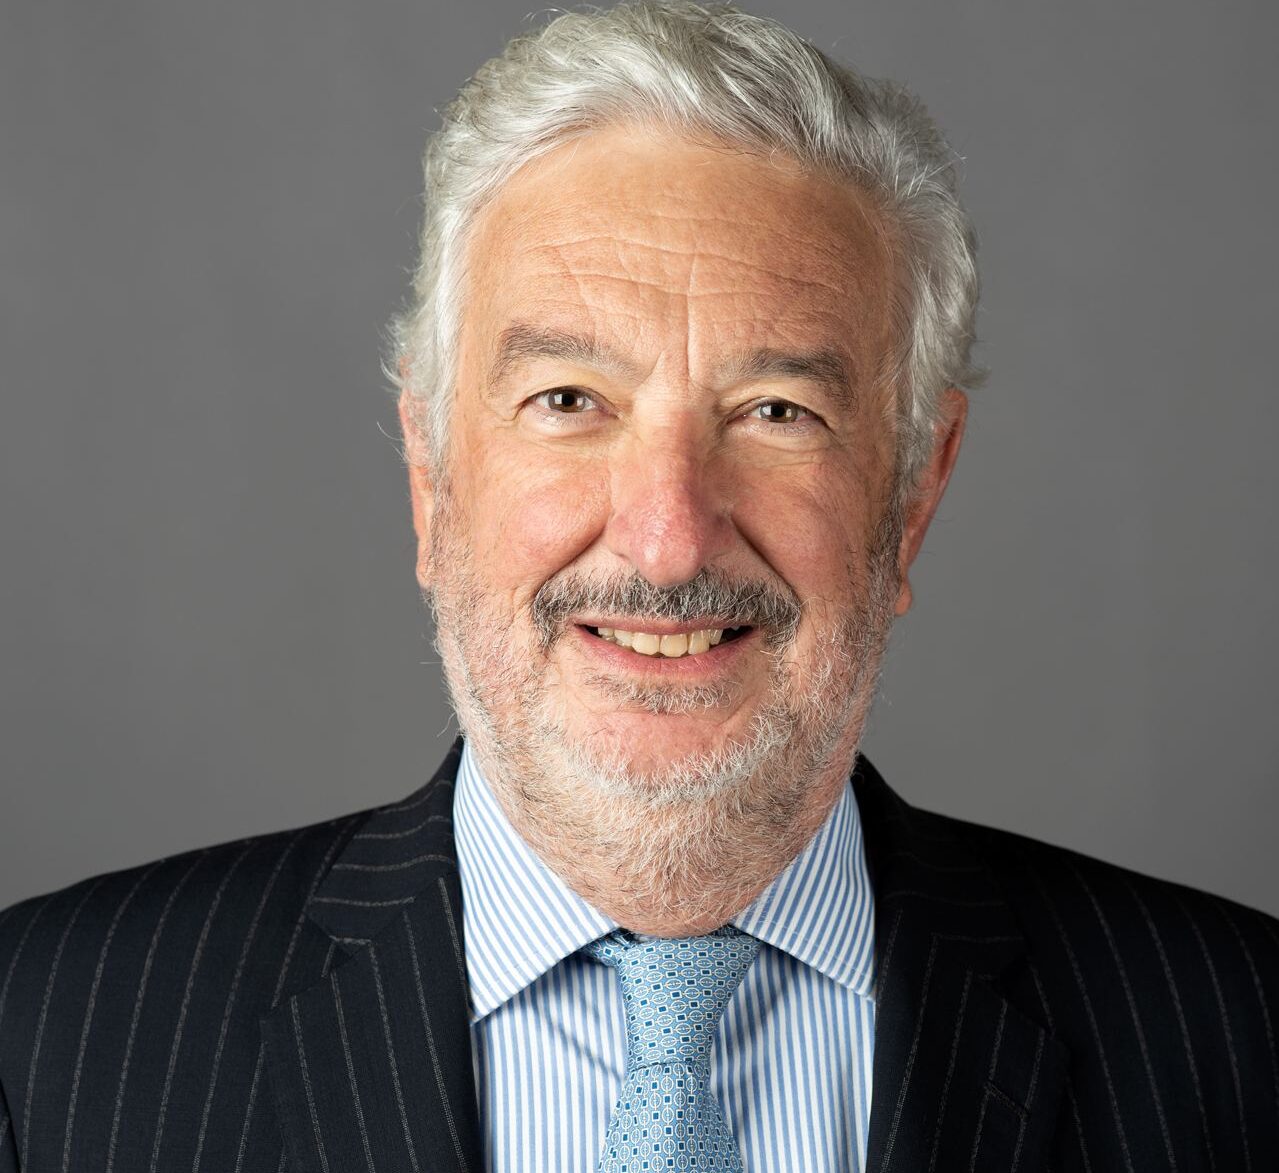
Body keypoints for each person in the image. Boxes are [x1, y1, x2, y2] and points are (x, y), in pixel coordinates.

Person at [1, 2, 1276, 1170]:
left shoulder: (1238, 1039)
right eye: (569, 400)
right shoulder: (48, 1039)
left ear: (912, 493)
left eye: (776, 412)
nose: (667, 541)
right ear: (431, 475)